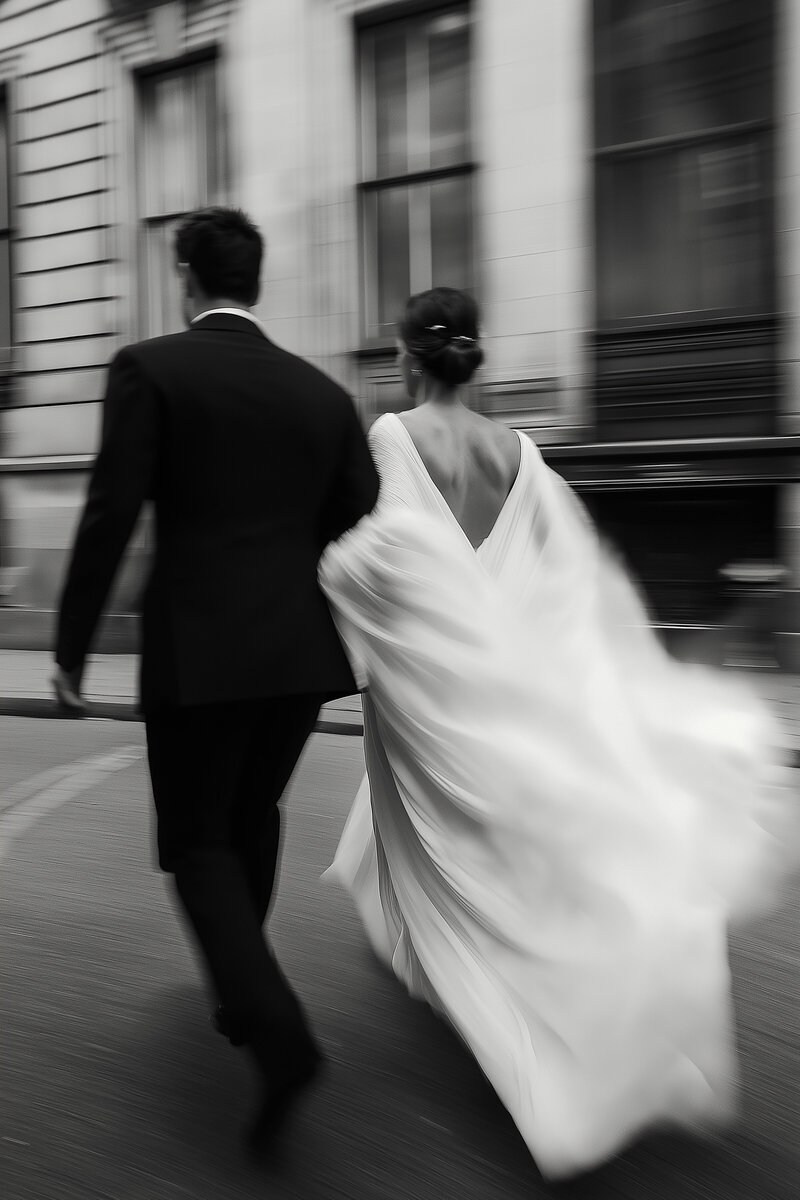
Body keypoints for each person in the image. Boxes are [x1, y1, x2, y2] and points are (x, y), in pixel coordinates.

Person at [318, 286, 794, 1180]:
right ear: (475, 357)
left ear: (409, 360)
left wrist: (331, 570)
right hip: (496, 667)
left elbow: (393, 546)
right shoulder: (519, 451)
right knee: (495, 831)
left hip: (433, 675)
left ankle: (509, 1015)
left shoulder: (393, 436)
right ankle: (540, 977)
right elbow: (566, 565)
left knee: (442, 828)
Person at [52, 206, 380, 1147]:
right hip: (297, 659)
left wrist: (73, 647)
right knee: (254, 819)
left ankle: (276, 1032)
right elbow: (358, 514)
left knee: (196, 845)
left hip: (199, 656)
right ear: (257, 283)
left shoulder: (149, 367)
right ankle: (245, 998)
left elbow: (110, 511)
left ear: (187, 278)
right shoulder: (321, 396)